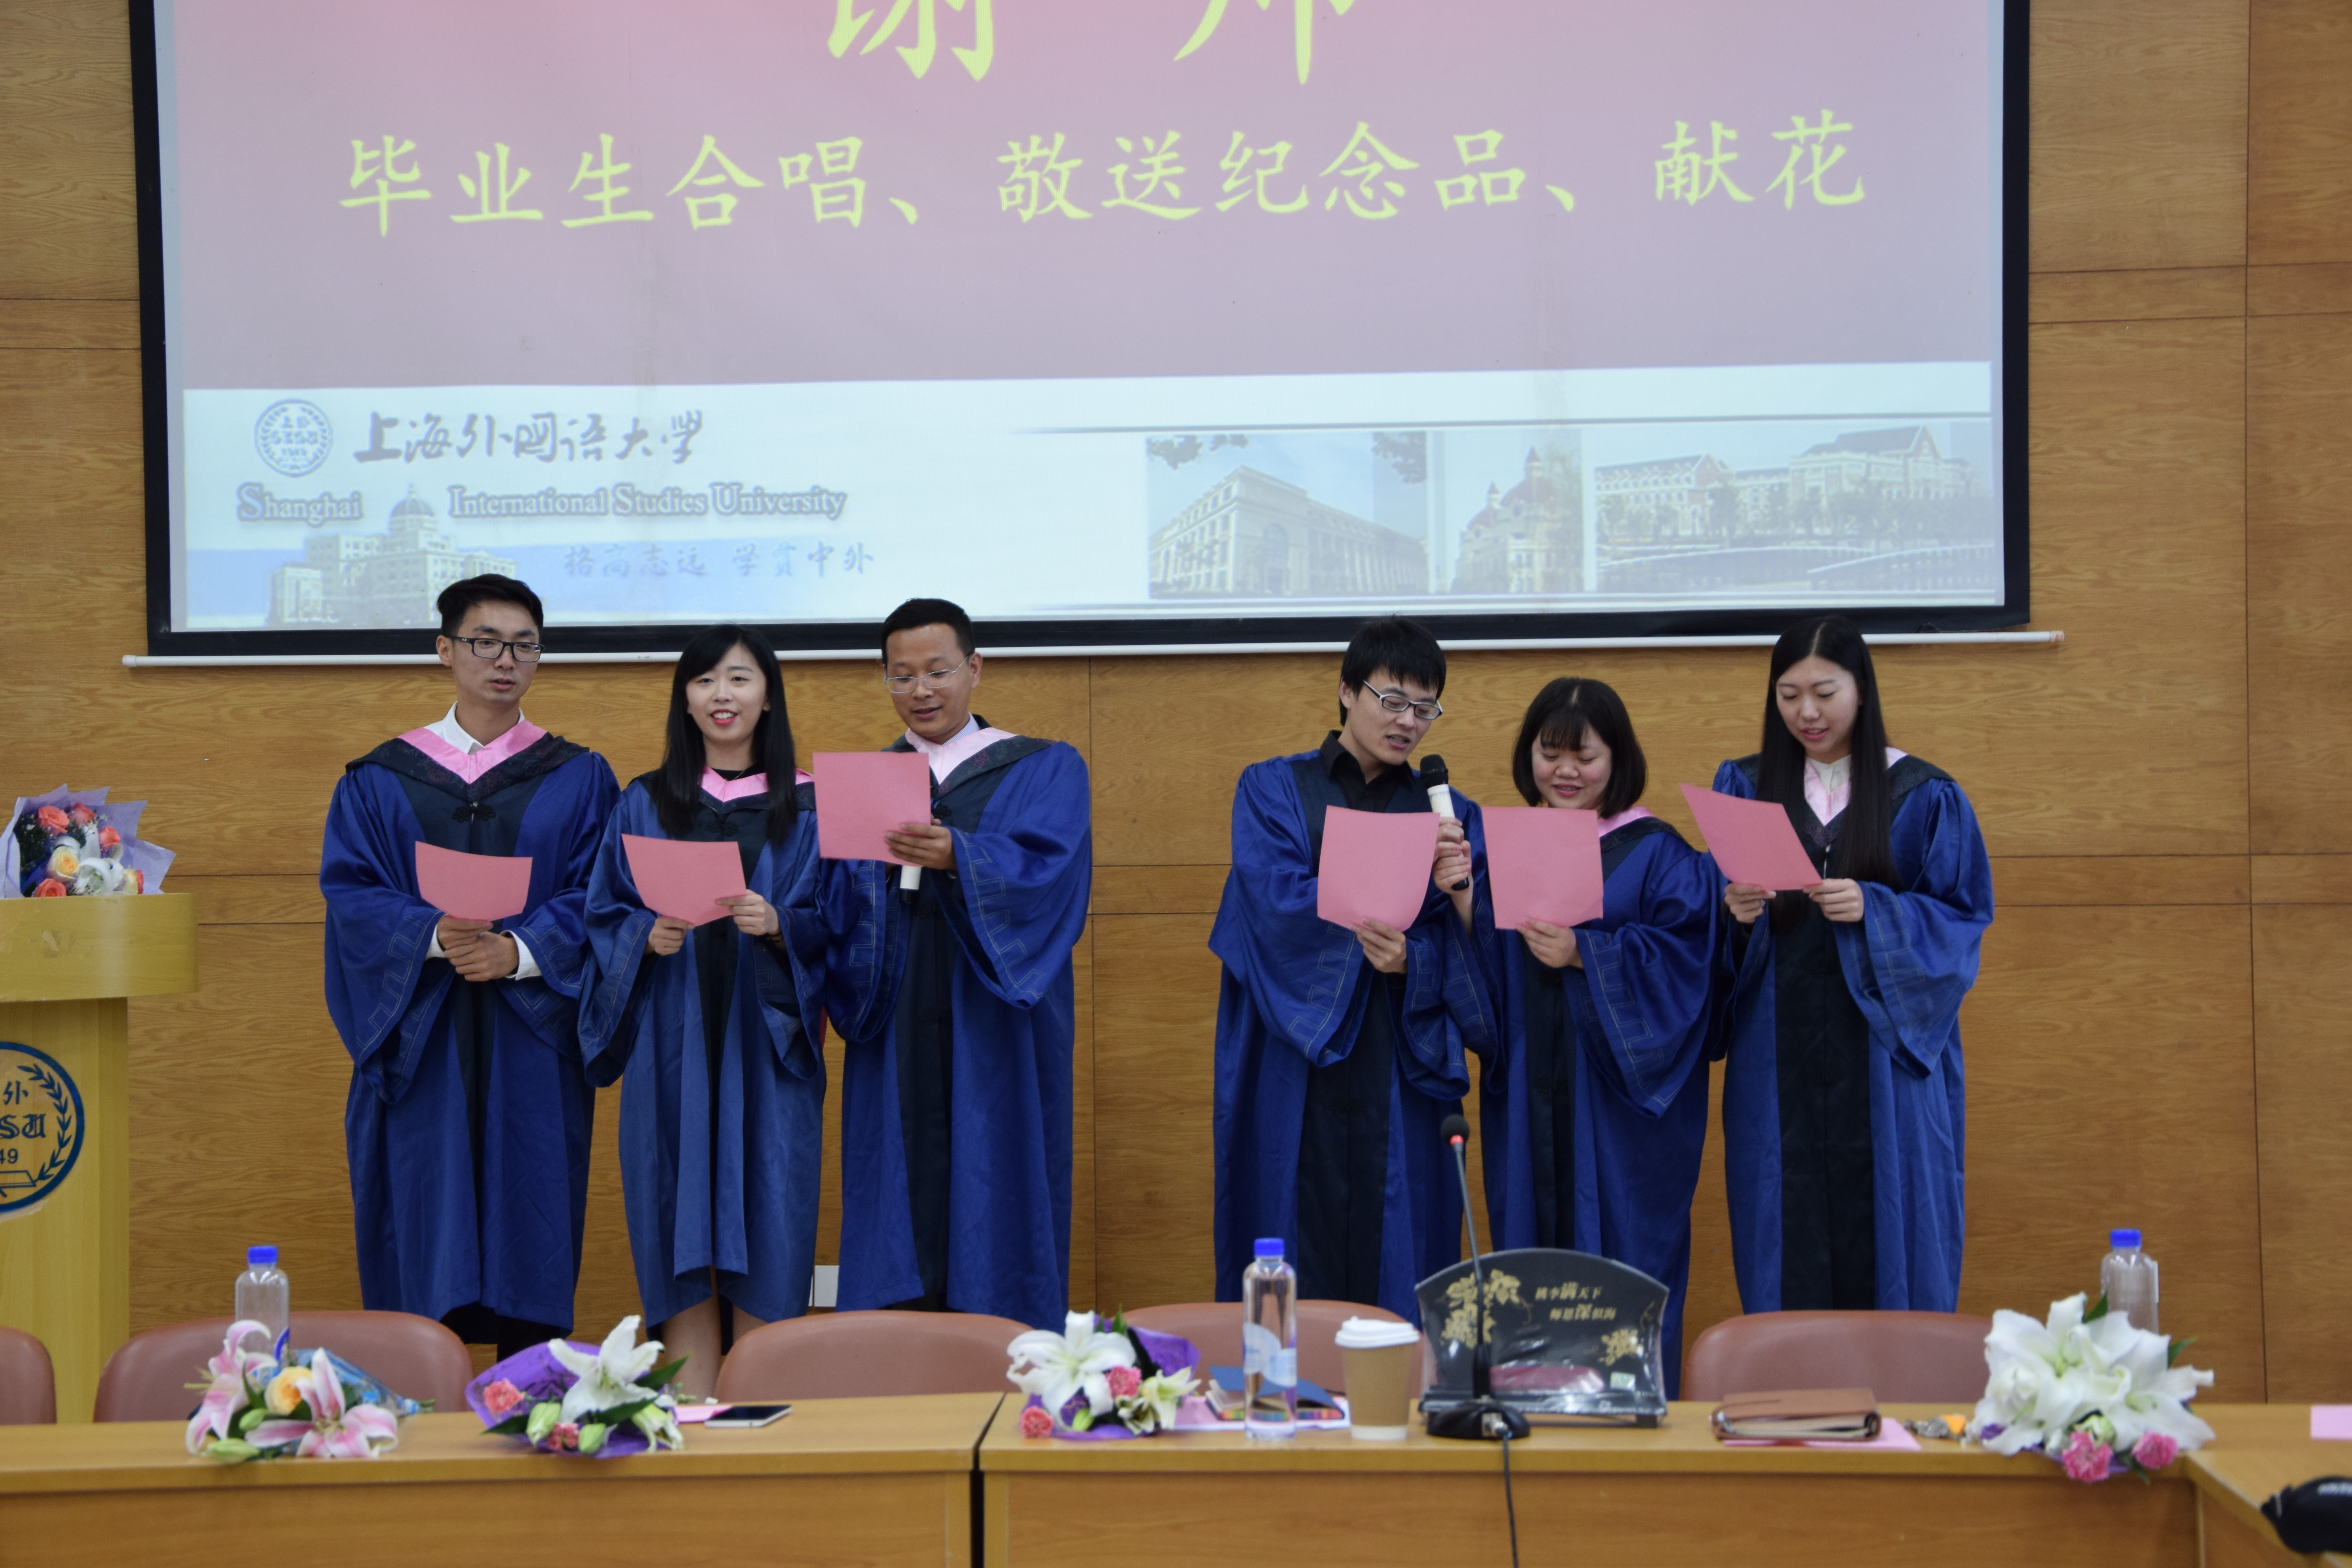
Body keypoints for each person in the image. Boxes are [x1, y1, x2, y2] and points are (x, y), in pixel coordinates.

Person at [320, 575, 618, 1359]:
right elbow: (351, 895)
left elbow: (601, 893)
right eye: (486, 642)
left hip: (532, 1037)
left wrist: (519, 951)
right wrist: (433, 934)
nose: (505, 660)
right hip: (421, 1036)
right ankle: (426, 1410)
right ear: (445, 649)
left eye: (524, 645)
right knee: (427, 1240)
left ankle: (529, 1411)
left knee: (533, 1230)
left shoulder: (580, 776)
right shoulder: (379, 778)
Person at [1210, 616, 1492, 1323]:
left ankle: (1396, 1382)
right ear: (1346, 691)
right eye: (1391, 700)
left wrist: (1420, 948)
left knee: (1397, 1247)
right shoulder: (1273, 788)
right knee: (1287, 1225)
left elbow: (1476, 949)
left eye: (1424, 708)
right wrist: (1380, 922)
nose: (1407, 722)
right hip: (1292, 1045)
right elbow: (1271, 902)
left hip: (1399, 1048)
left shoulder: (1450, 816)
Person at [821, 598, 1091, 1328]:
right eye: (902, 676)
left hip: (993, 1010)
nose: (922, 691)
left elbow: (1053, 876)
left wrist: (959, 855)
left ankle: (1003, 1349)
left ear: (974, 669)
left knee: (994, 1168)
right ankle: (897, 1366)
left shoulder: (1044, 767)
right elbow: (834, 903)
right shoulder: (864, 781)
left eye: (938, 672)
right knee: (896, 1187)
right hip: (896, 1001)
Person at [1713, 614, 1993, 1313]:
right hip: (1775, 1056)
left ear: (1861, 689)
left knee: (1892, 1227)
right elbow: (1710, 943)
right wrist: (1735, 915)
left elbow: (1962, 921)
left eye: (1825, 692)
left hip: (1884, 1058)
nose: (1806, 712)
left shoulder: (1923, 794)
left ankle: (1897, 1375)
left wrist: (1878, 909)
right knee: (1782, 1226)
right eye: (1789, 695)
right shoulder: (1747, 786)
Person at [578, 626, 828, 1399]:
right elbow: (602, 912)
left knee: (772, 1210)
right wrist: (641, 937)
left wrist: (782, 925)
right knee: (675, 1210)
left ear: (768, 697)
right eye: (705, 680)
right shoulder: (645, 801)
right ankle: (689, 1415)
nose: (723, 695)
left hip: (768, 1043)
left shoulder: (810, 806)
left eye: (741, 678)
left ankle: (759, 1410)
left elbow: (846, 921)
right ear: (684, 699)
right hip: (672, 1044)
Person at [1472, 678, 1717, 1392]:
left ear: (1619, 758)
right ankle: (1531, 1408)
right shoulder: (1506, 848)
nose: (1567, 771)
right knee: (1528, 1264)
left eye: (1586, 755)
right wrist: (1461, 897)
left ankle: (1628, 1418)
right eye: (1551, 754)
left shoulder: (1660, 853)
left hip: (1619, 1113)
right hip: (1529, 1094)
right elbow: (1480, 971)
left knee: (1623, 1263)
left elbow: (1689, 963)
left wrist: (1588, 953)